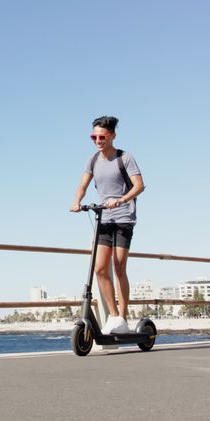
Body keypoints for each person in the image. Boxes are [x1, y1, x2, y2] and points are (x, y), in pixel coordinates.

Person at [70, 116, 146, 334]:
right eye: (93, 136)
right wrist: (76, 201)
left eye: (101, 136)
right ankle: (113, 316)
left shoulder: (125, 157)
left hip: (123, 218)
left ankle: (123, 317)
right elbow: (82, 185)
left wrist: (121, 200)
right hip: (104, 218)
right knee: (100, 268)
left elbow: (139, 186)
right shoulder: (93, 160)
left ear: (112, 135)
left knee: (119, 266)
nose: (97, 140)